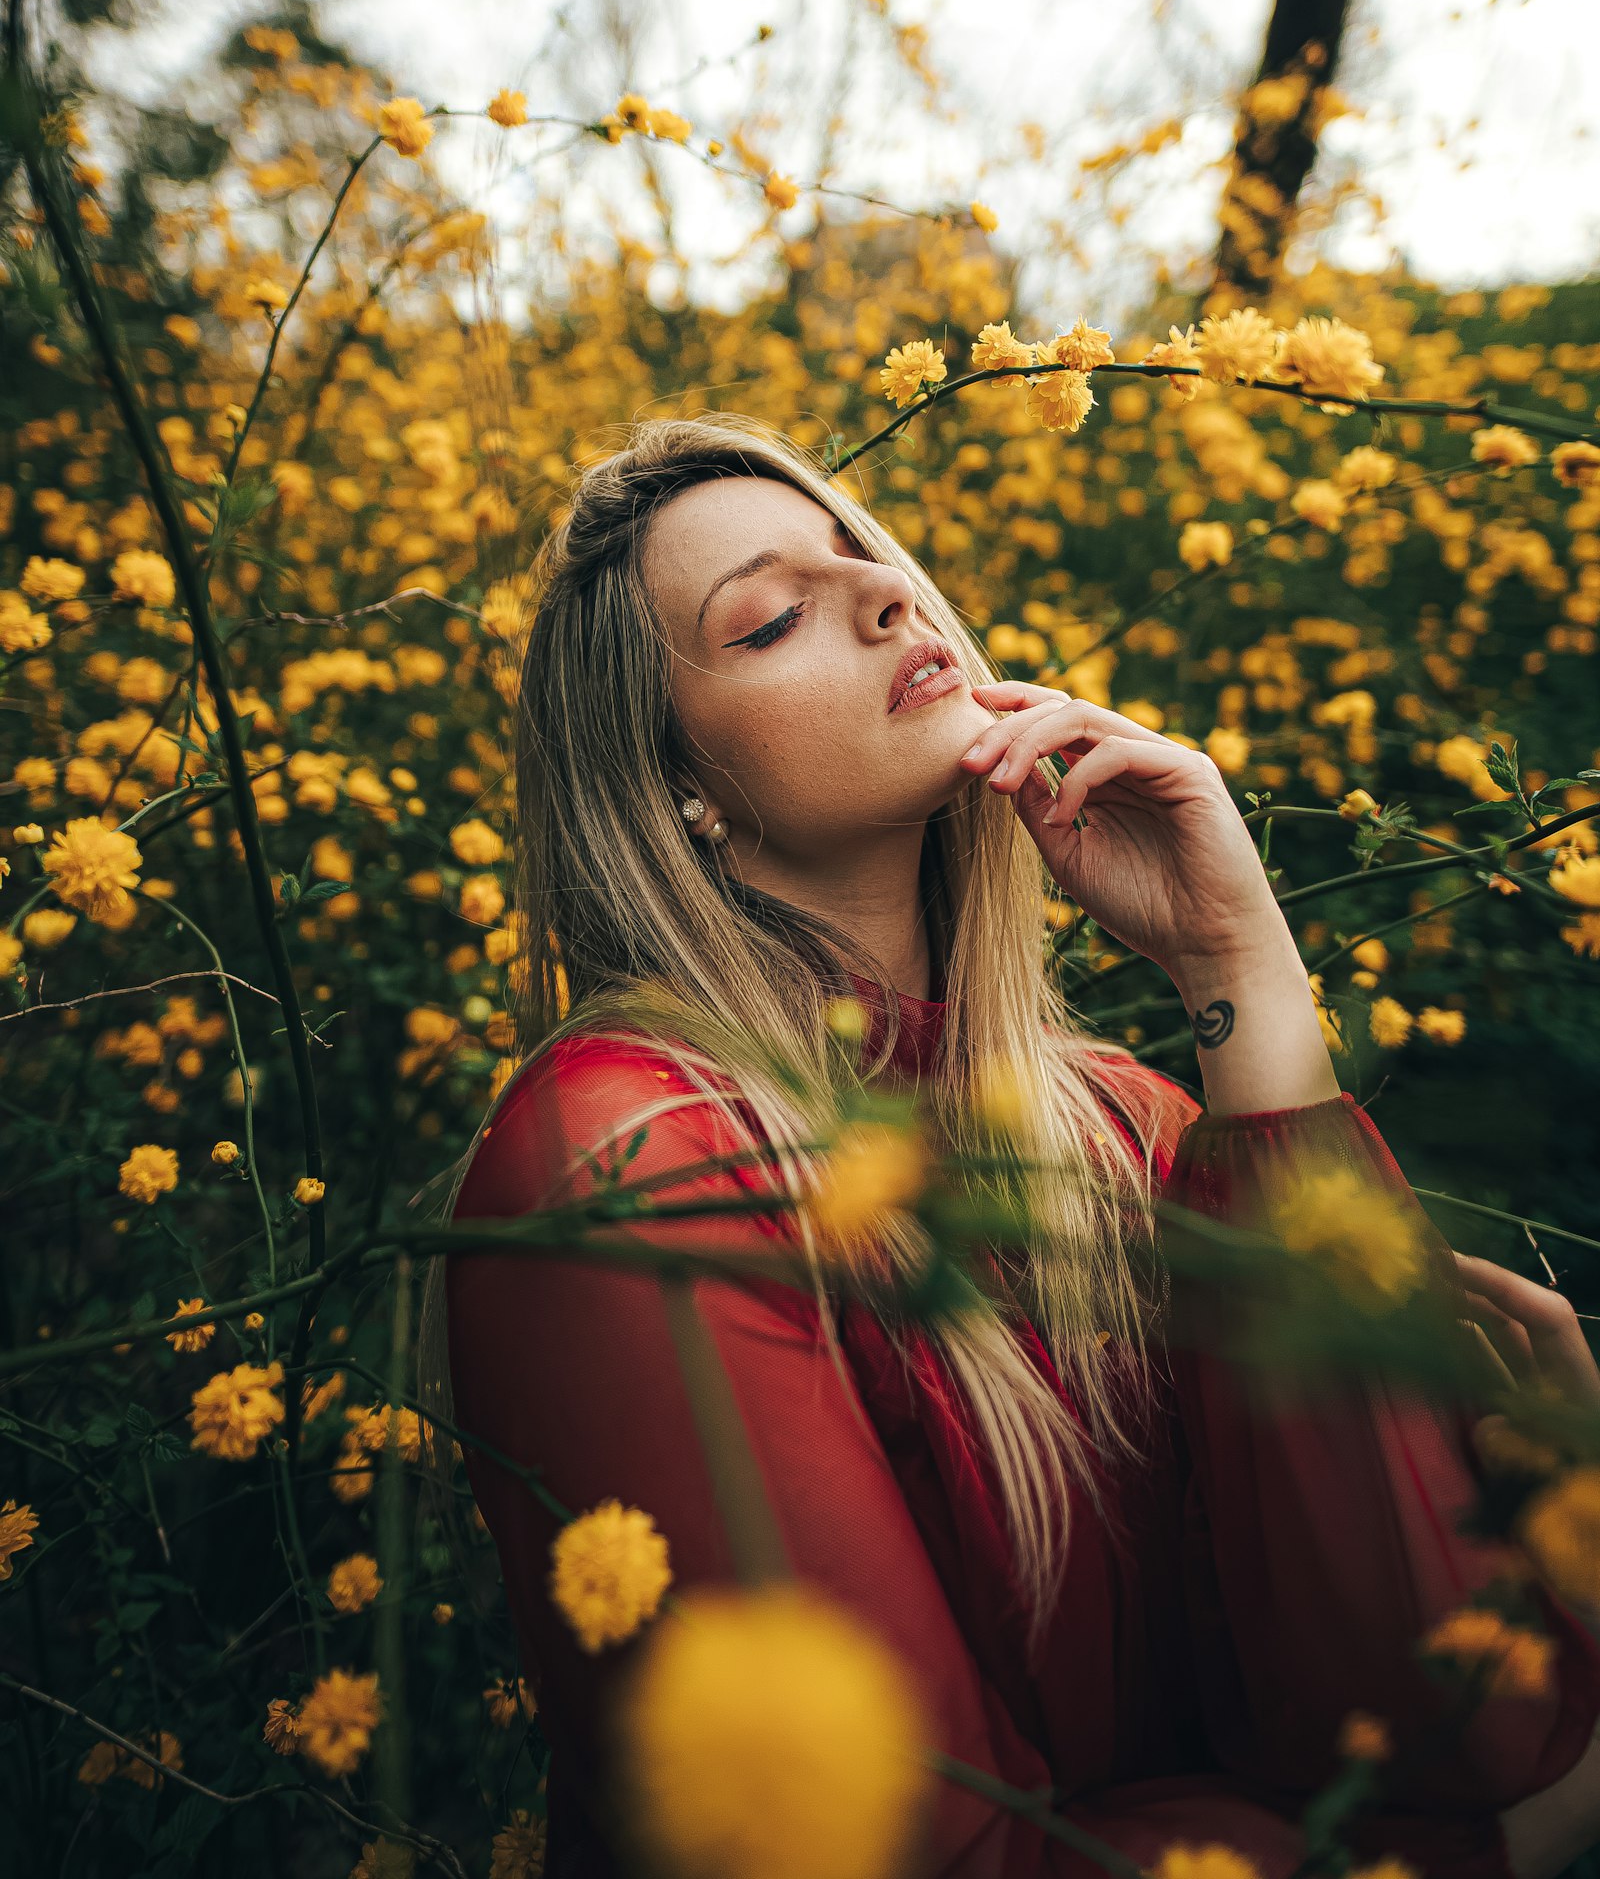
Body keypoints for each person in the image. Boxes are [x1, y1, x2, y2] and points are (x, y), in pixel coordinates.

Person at [427, 414, 1600, 1879]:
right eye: (775, 613)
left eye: (869, 556)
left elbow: (1437, 1715)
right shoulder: (632, 1161)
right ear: (680, 790)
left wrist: (1244, 975)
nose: (884, 595)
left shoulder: (1122, 1130)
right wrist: (1494, 1850)